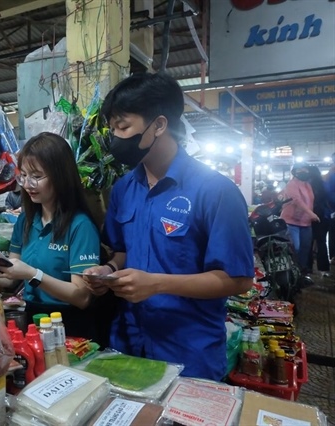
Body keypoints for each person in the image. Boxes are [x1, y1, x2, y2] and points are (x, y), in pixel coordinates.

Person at [83, 72, 254, 381]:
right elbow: (122, 251)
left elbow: (237, 279)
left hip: (188, 351)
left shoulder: (215, 191)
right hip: (128, 343)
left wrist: (157, 284)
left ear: (159, 125)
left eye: (123, 127)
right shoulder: (123, 189)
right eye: (112, 129)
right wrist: (108, 271)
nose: (115, 138)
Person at [0, 132, 107, 342]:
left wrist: (33, 274)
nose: (27, 184)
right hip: (33, 320)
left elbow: (82, 296)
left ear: (60, 176)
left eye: (36, 176)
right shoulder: (26, 220)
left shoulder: (80, 226)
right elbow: (12, 275)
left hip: (70, 326)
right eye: (23, 175)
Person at [281, 164, 319, 275]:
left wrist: (310, 215)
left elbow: (310, 201)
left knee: (305, 248)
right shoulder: (291, 184)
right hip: (291, 221)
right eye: (301, 170)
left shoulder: (307, 185)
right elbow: (296, 200)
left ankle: (301, 272)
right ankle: (291, 271)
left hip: (306, 222)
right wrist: (311, 213)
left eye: (305, 169)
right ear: (295, 171)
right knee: (295, 248)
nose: (304, 171)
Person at [307, 166, 330, 277]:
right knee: (321, 242)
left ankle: (308, 268)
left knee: (308, 242)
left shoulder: (307, 185)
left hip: (309, 215)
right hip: (323, 216)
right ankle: (324, 268)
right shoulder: (323, 184)